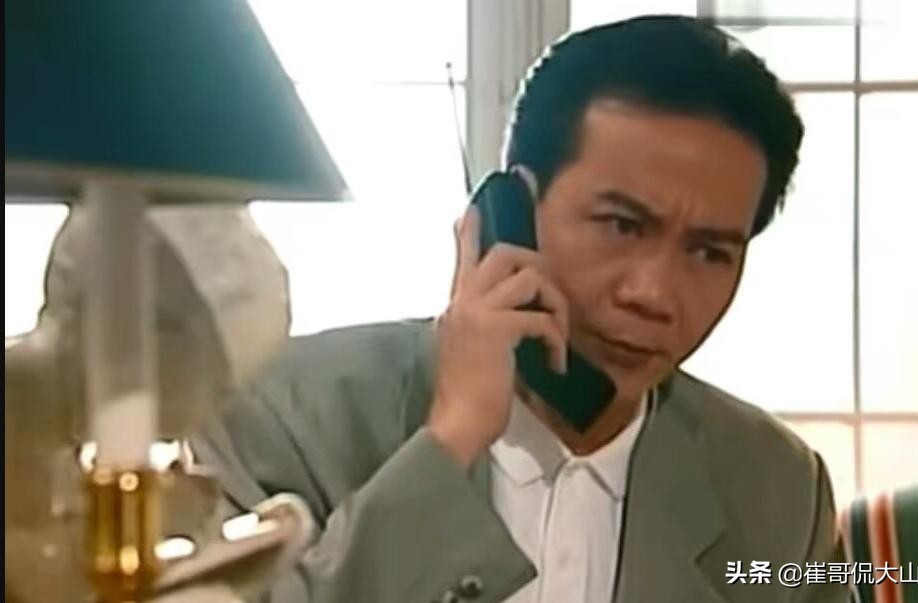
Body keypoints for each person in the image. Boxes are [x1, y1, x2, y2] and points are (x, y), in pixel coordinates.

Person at [193, 16, 849, 603]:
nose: (653, 294)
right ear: (512, 212)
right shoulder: (283, 414)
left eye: (709, 252)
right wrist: (451, 437)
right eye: (621, 225)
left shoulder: (780, 488)